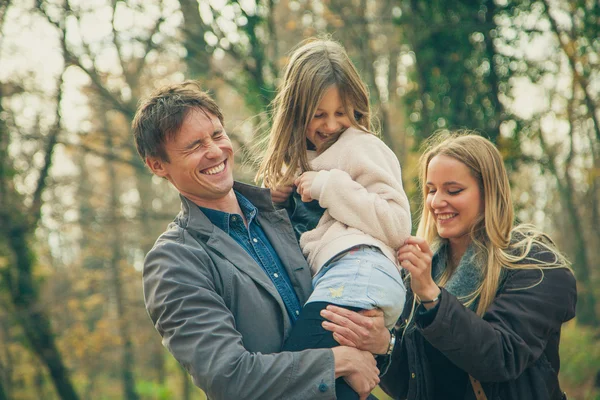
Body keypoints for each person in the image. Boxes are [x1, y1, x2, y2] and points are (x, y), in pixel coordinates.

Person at [132, 80, 385, 400]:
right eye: (194, 146)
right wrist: (336, 361)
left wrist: (378, 337)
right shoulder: (174, 262)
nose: (214, 151)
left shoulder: (286, 212)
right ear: (158, 165)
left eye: (217, 135)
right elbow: (229, 377)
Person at [322, 131, 577, 400]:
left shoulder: (535, 266)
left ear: (488, 192)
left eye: (453, 190)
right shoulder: (418, 270)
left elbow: (501, 356)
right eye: (431, 190)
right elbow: (417, 387)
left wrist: (432, 297)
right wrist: (385, 344)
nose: (436, 201)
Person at [257, 38, 411, 399]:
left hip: (359, 270)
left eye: (341, 112)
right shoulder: (295, 162)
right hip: (333, 278)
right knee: (328, 387)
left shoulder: (363, 146)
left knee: (295, 374)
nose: (331, 125)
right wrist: (275, 202)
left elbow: (397, 223)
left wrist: (329, 185)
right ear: (296, 112)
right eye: (318, 115)